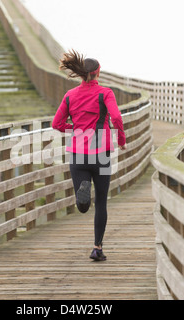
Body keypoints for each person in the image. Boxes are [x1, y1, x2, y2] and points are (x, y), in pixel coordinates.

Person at [52, 50, 127, 261]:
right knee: (101, 201)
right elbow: (117, 118)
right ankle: (97, 248)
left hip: (78, 154)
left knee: (83, 203)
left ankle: (82, 200)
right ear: (98, 73)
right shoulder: (105, 93)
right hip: (101, 154)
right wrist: (120, 139)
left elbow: (56, 124)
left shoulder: (70, 95)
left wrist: (75, 129)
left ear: (81, 73)